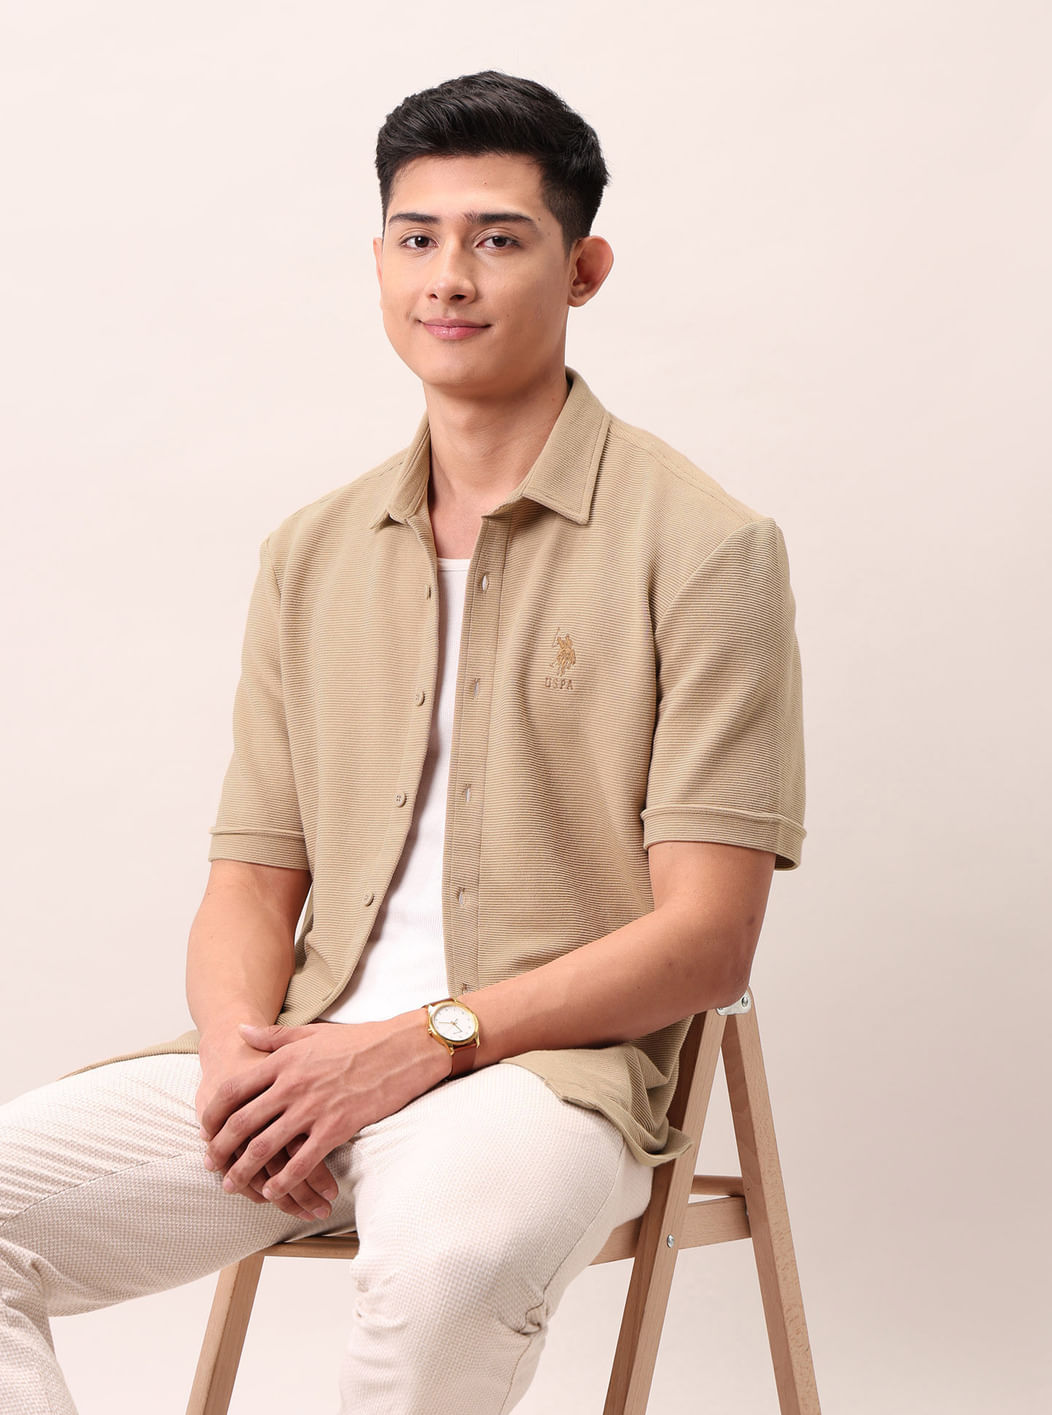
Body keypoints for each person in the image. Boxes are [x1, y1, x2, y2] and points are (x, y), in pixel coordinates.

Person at [0, 70, 805, 1414]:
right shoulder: (311, 555)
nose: (449, 277)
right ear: (377, 260)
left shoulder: (705, 549)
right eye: (417, 237)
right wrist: (239, 1052)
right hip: (304, 1053)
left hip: (542, 1077)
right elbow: (251, 880)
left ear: (583, 269)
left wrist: (424, 1040)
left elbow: (708, 941)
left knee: (452, 1269)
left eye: (499, 238)